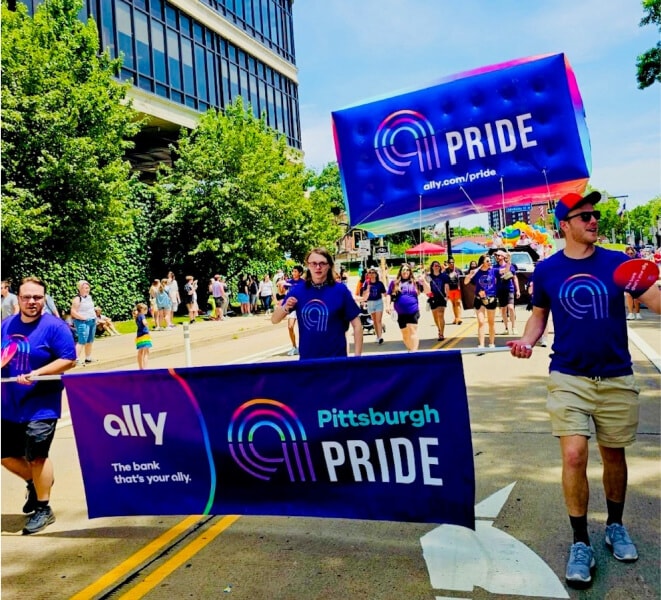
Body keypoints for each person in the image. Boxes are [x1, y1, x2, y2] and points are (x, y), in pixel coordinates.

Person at [507, 191, 661, 588]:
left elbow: (656, 302)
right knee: (574, 455)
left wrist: (652, 285)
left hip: (615, 376)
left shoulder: (618, 262)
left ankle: (615, 525)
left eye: (594, 215)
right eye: (584, 216)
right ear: (565, 225)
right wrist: (526, 341)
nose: (594, 221)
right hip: (569, 375)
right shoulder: (547, 271)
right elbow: (538, 318)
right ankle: (580, 542)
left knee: (614, 456)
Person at [1, 276, 77, 534]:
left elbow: (69, 359)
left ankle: (43, 508)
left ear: (44, 299)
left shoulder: (55, 327)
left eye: (37, 297)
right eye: (26, 297)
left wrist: (37, 374)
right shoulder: (6, 325)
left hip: (41, 404)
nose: (31, 301)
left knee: (37, 455)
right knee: (6, 455)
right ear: (17, 298)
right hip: (10, 403)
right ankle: (36, 483)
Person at [271, 248, 363, 359]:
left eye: (322, 263)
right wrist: (285, 307)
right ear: (308, 266)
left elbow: (357, 325)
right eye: (313, 263)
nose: (318, 267)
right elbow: (274, 319)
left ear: (329, 265)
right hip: (308, 363)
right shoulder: (298, 291)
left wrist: (357, 359)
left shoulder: (340, 290)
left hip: (337, 362)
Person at [386, 263, 429, 352]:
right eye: (403, 270)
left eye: (407, 270)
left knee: (412, 330)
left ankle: (414, 352)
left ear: (410, 272)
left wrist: (424, 281)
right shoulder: (394, 283)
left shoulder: (415, 282)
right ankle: (410, 349)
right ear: (400, 272)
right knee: (405, 334)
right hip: (400, 312)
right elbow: (388, 295)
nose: (405, 271)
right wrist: (387, 306)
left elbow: (428, 291)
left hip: (413, 310)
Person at [464, 254, 497, 348]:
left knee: (491, 322)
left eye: (490, 261)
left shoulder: (493, 270)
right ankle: (481, 344)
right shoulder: (476, 272)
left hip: (491, 299)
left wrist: (508, 260)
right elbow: (465, 282)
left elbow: (506, 270)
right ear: (482, 263)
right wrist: (470, 274)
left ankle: (491, 343)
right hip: (479, 299)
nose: (490, 262)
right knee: (481, 321)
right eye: (487, 261)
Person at [70, 280, 97, 365]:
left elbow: (91, 309)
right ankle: (75, 359)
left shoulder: (89, 297)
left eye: (88, 287)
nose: (87, 289)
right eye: (85, 288)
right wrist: (83, 318)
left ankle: (88, 358)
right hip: (82, 322)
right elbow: (73, 312)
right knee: (82, 340)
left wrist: (95, 318)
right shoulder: (77, 299)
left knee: (90, 340)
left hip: (92, 320)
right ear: (80, 289)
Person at [493, 250, 520, 334]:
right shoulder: (495, 267)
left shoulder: (511, 266)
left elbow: (514, 278)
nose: (497, 257)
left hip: (509, 289)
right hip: (500, 290)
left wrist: (518, 290)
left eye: (498, 255)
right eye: (496, 256)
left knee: (511, 308)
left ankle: (514, 327)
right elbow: (495, 279)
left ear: (503, 257)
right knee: (503, 309)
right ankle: (506, 328)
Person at [282, 265, 305, 356]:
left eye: (295, 271)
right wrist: (281, 286)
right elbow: (281, 291)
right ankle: (294, 347)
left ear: (300, 273)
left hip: (301, 307)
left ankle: (303, 346)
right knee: (290, 326)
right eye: (293, 271)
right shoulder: (289, 282)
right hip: (292, 308)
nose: (293, 273)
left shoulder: (303, 283)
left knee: (303, 329)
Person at [360, 268, 387, 344]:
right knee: (374, 321)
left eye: (373, 272)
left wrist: (389, 299)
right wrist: (363, 300)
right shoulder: (366, 283)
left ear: (376, 274)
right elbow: (363, 294)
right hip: (370, 303)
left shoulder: (379, 283)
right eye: (370, 273)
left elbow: (385, 293)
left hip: (378, 302)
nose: (372, 274)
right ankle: (377, 336)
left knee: (378, 320)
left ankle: (380, 337)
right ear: (368, 275)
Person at [426, 261, 448, 341]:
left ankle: (441, 333)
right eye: (435, 265)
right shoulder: (429, 276)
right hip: (433, 298)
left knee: (440, 315)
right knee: (435, 316)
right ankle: (439, 328)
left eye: (438, 265)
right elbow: (426, 285)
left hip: (442, 297)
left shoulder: (444, 276)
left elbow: (447, 286)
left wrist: (447, 296)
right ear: (432, 267)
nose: (437, 267)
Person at [623, 247, 641, 320]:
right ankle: (630, 313)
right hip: (627, 281)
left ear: (634, 253)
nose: (630, 255)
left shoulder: (638, 261)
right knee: (628, 296)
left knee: (636, 298)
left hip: (637, 280)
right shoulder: (623, 261)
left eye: (631, 253)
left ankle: (638, 313)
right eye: (628, 253)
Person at [445, 258, 463, 325]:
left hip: (457, 289)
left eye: (452, 262)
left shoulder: (458, 270)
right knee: (453, 304)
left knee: (457, 302)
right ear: (448, 264)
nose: (451, 264)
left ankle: (459, 318)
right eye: (450, 263)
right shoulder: (446, 271)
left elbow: (462, 278)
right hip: (450, 289)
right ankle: (456, 318)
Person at [133, 302, 152, 370]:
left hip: (139, 335)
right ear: (141, 309)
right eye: (145, 309)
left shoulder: (137, 316)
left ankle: (141, 367)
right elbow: (144, 322)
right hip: (145, 335)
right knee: (146, 352)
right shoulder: (142, 316)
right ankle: (145, 367)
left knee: (140, 352)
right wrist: (148, 324)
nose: (146, 310)